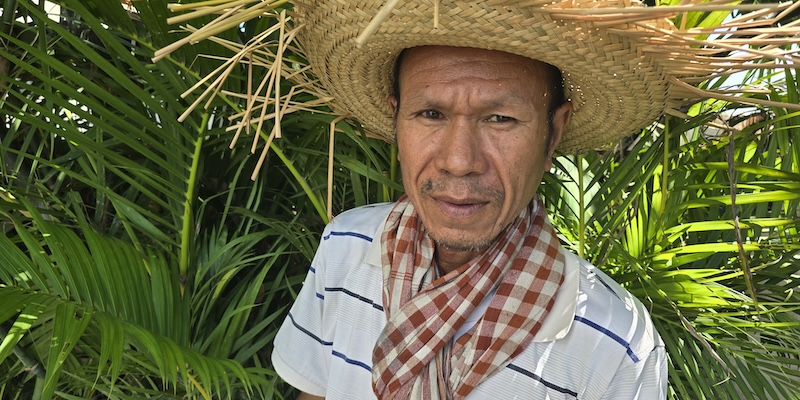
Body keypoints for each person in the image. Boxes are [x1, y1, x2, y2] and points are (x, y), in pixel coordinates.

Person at [258, 1, 793, 398]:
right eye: (430, 114)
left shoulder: (611, 346)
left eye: (500, 119)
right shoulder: (347, 246)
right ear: (396, 118)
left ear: (551, 133)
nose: (459, 160)